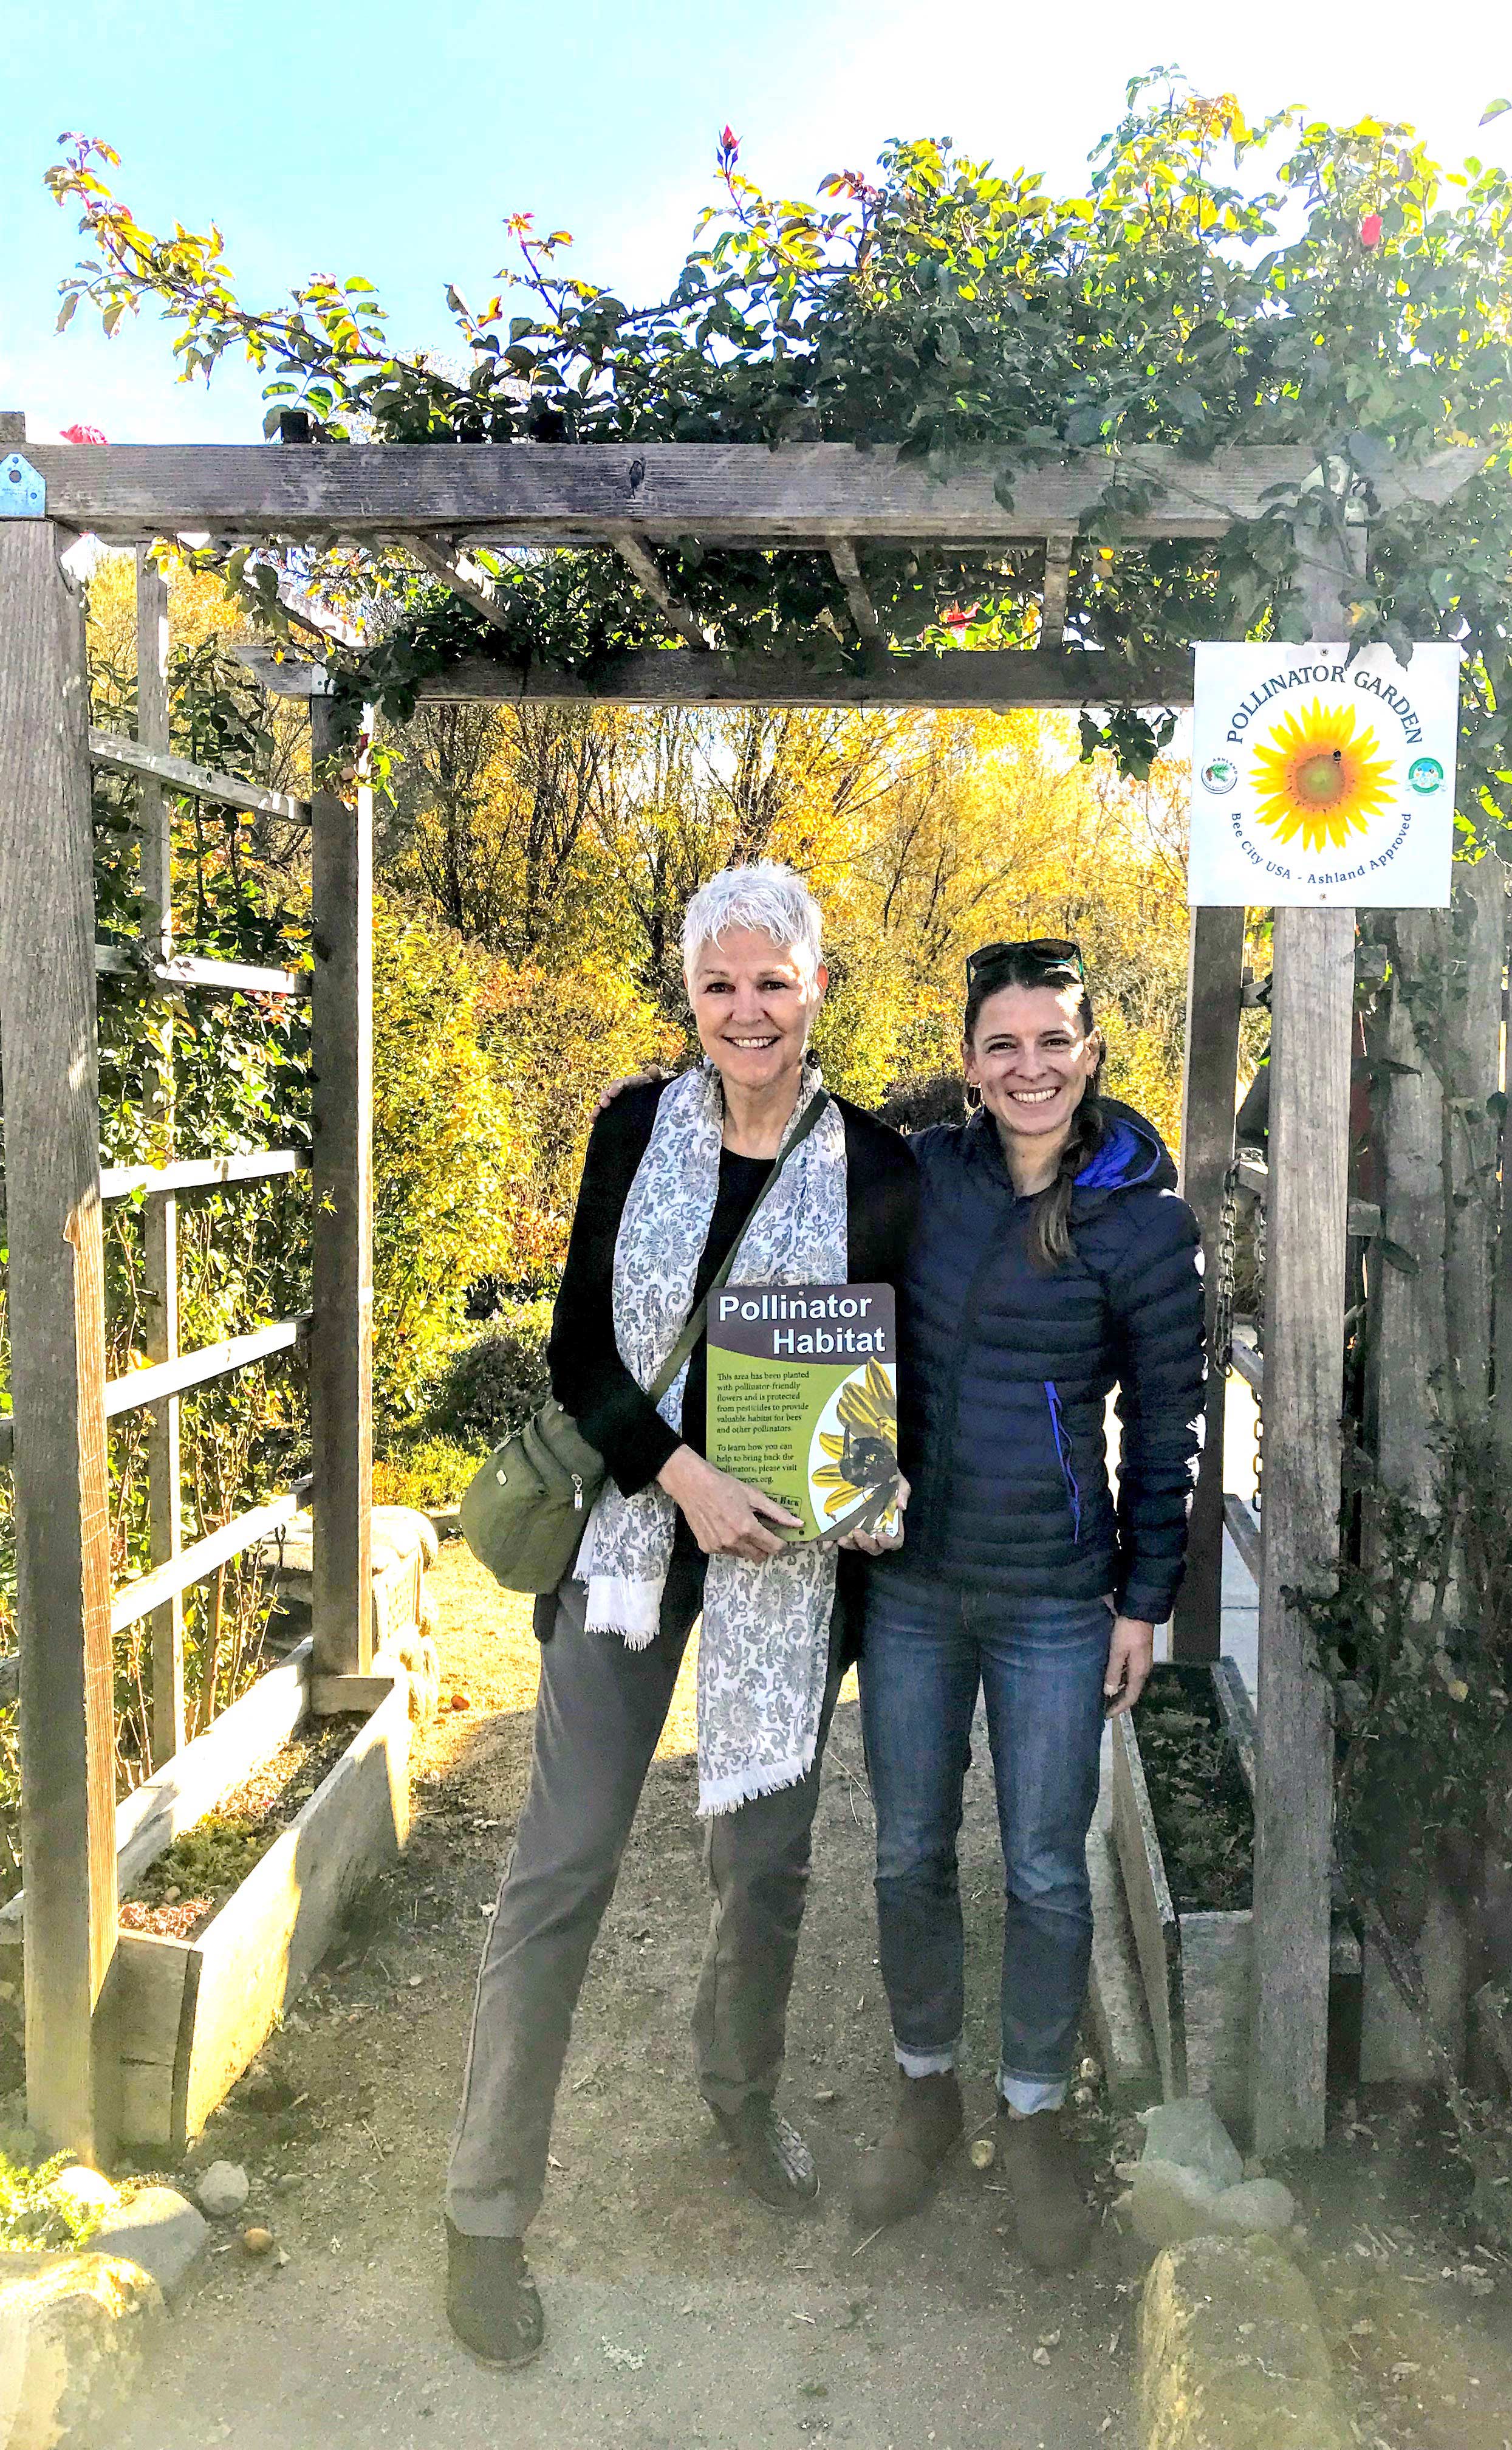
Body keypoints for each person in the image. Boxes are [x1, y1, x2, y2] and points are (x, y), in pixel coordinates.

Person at [445, 864, 917, 2369]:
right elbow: (579, 1351)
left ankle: (740, 2099)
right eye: (721, 985)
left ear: (818, 987)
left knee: (763, 1862)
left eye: (773, 981)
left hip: (790, 1563)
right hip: (634, 1539)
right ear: (691, 998)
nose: (747, 1011)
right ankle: (483, 2212)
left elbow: (885, 1374)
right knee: (562, 1864)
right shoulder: (633, 1129)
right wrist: (684, 1477)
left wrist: (872, 1481)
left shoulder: (879, 1167)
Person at [849, 936, 1204, 2273]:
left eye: (1053, 1041)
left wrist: (1144, 1597)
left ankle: (1039, 2111)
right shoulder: (923, 1180)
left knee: (1048, 1867)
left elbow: (1166, 1422)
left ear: (1091, 1054)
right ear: (969, 1064)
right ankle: (924, 2087)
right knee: (907, 1850)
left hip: (1058, 1597)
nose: (1030, 1066)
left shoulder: (1142, 1222)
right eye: (1002, 1044)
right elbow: (818, 1275)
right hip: (914, 1585)